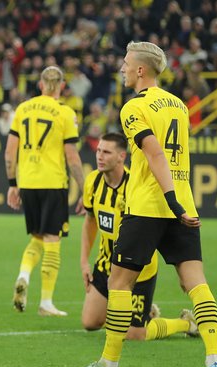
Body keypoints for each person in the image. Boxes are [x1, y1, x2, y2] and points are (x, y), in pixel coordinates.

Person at [66, 41, 217, 367]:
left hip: (150, 205)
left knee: (119, 282)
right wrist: (180, 202)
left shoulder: (133, 107)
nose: (121, 68)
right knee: (195, 281)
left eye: (125, 63)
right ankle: (214, 360)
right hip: (183, 202)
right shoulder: (179, 105)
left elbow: (154, 154)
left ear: (140, 70)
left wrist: (169, 200)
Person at [80, 133, 199, 340]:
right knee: (90, 323)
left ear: (121, 156)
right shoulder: (92, 181)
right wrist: (84, 261)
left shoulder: (135, 187)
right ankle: (142, 311)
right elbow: (90, 220)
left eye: (106, 152)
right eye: (98, 150)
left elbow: (156, 229)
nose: (99, 156)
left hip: (137, 267)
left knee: (134, 334)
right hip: (106, 263)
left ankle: (185, 323)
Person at [4, 66, 85, 317]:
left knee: (38, 236)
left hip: (28, 182)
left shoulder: (22, 109)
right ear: (61, 86)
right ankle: (46, 302)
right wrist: (85, 189)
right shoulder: (65, 112)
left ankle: (23, 275)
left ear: (40, 84)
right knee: (53, 239)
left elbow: (9, 153)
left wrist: (12, 184)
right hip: (52, 182)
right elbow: (71, 157)